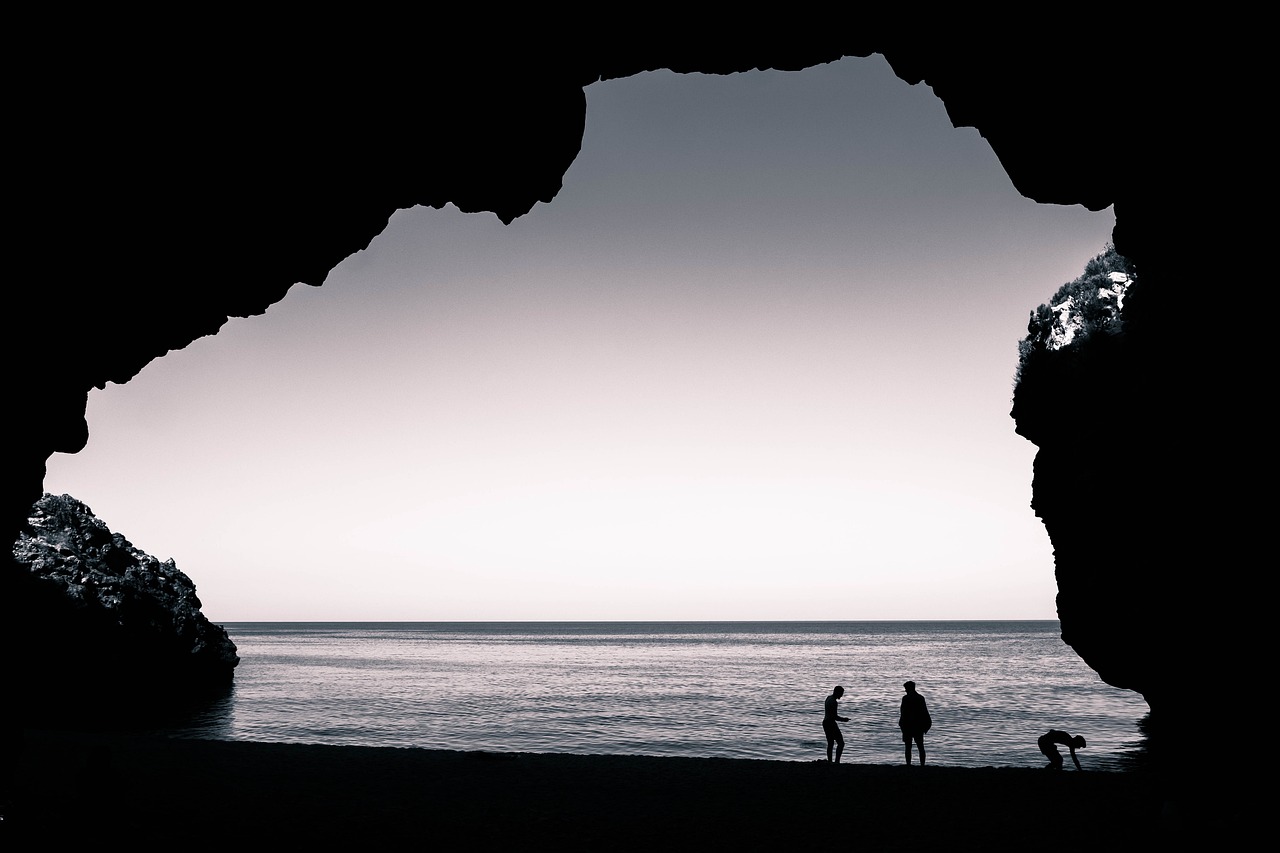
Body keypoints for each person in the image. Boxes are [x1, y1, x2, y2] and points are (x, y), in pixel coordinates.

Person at [898, 680, 931, 766]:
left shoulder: (905, 699)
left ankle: (908, 764)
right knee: (920, 746)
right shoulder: (920, 698)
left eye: (906, 688)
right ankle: (922, 765)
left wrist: (901, 724)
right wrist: (927, 725)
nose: (905, 690)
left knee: (908, 746)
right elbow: (925, 712)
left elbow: (903, 713)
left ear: (908, 688)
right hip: (918, 725)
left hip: (908, 725)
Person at [823, 685, 850, 763]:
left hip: (825, 722)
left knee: (830, 743)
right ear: (837, 692)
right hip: (830, 723)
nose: (841, 696)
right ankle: (837, 761)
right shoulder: (834, 702)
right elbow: (834, 717)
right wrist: (844, 719)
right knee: (841, 743)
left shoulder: (828, 698)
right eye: (841, 693)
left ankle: (830, 761)